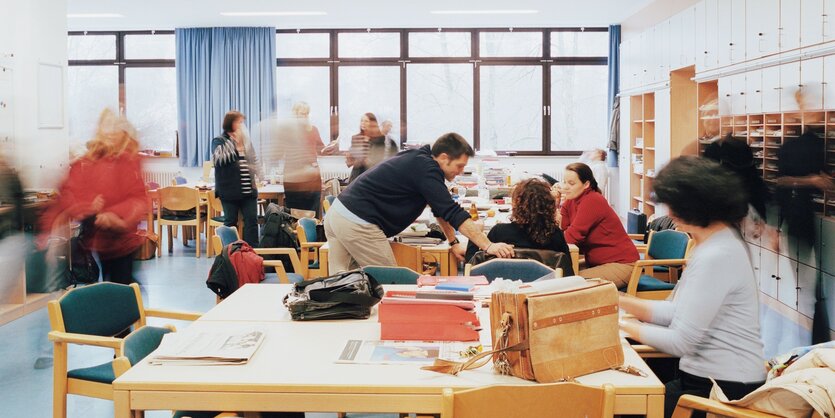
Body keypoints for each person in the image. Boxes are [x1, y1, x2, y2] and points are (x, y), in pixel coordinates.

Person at [619, 156, 766, 418]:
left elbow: (680, 341)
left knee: (625, 407)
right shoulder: (713, 244)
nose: (669, 214)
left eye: (672, 206)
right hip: (704, 380)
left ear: (692, 207)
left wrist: (621, 325)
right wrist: (617, 302)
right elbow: (673, 312)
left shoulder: (717, 254)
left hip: (720, 391)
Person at [324, 133, 514, 273]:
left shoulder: (420, 160)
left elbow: (440, 210)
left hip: (338, 214)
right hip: (358, 221)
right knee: (390, 280)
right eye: (459, 166)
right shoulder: (426, 170)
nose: (461, 171)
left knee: (342, 282)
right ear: (444, 158)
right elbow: (452, 212)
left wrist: (453, 242)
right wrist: (488, 246)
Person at [40, 108, 149, 284]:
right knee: (112, 284)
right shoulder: (88, 162)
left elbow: (138, 199)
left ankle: (129, 305)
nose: (111, 131)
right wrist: (49, 232)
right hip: (99, 238)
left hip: (122, 240)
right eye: (107, 125)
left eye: (116, 126)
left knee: (122, 284)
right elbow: (68, 194)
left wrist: (115, 216)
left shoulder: (128, 160)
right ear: (100, 129)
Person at [555, 162, 639, 288]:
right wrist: (556, 204)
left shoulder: (593, 200)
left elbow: (572, 237)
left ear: (586, 184)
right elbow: (562, 231)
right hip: (598, 262)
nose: (566, 187)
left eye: (571, 183)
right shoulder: (570, 201)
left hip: (621, 264)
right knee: (558, 274)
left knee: (568, 283)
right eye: (564, 182)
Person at [464, 178, 570, 263]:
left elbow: (473, 270)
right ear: (548, 206)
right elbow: (567, 272)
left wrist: (475, 234)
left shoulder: (499, 232)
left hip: (503, 288)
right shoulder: (555, 234)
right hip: (545, 289)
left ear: (516, 205)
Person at [211, 110, 263, 246]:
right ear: (230, 123)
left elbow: (254, 159)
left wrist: (260, 174)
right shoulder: (219, 141)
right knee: (230, 222)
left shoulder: (246, 142)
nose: (241, 125)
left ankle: (252, 252)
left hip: (249, 191)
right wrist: (234, 143)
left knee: (252, 222)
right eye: (239, 122)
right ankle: (230, 252)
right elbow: (219, 159)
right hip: (229, 191)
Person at [279, 102, 325, 214]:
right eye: (302, 114)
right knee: (295, 213)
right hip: (294, 178)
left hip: (312, 179)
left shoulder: (313, 130)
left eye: (306, 114)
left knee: (312, 213)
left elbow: (320, 149)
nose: (305, 117)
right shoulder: (287, 131)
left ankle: (310, 231)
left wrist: (329, 148)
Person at [346, 113, 397, 183]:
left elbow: (381, 160)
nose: (363, 123)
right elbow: (350, 163)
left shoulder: (380, 139)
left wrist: (365, 160)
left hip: (373, 175)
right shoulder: (356, 138)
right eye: (362, 121)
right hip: (357, 175)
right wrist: (350, 159)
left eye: (366, 121)